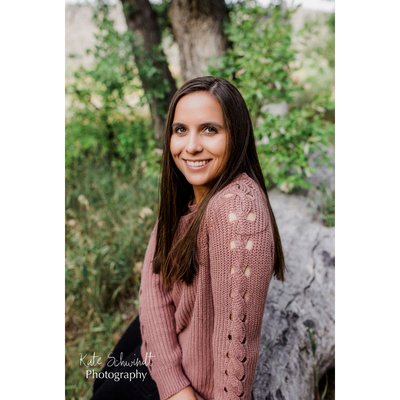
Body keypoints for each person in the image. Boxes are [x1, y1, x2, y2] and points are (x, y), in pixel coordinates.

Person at [92, 76, 285, 400]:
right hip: (173, 349)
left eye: (210, 129)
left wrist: (181, 392)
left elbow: (236, 339)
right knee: (105, 384)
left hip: (201, 383)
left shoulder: (235, 209)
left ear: (235, 135)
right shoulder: (187, 190)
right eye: (181, 130)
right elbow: (154, 283)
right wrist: (170, 380)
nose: (191, 146)